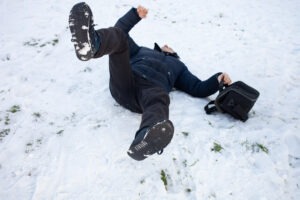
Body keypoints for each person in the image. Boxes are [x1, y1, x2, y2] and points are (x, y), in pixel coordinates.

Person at [68, 2, 232, 161]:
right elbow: (121, 31)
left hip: (147, 93)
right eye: (165, 45)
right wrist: (134, 16)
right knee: (119, 37)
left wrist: (218, 79)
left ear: (174, 53)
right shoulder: (141, 51)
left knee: (159, 97)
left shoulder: (179, 67)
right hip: (127, 80)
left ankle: (146, 137)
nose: (167, 44)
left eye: (170, 46)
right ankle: (92, 44)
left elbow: (198, 88)